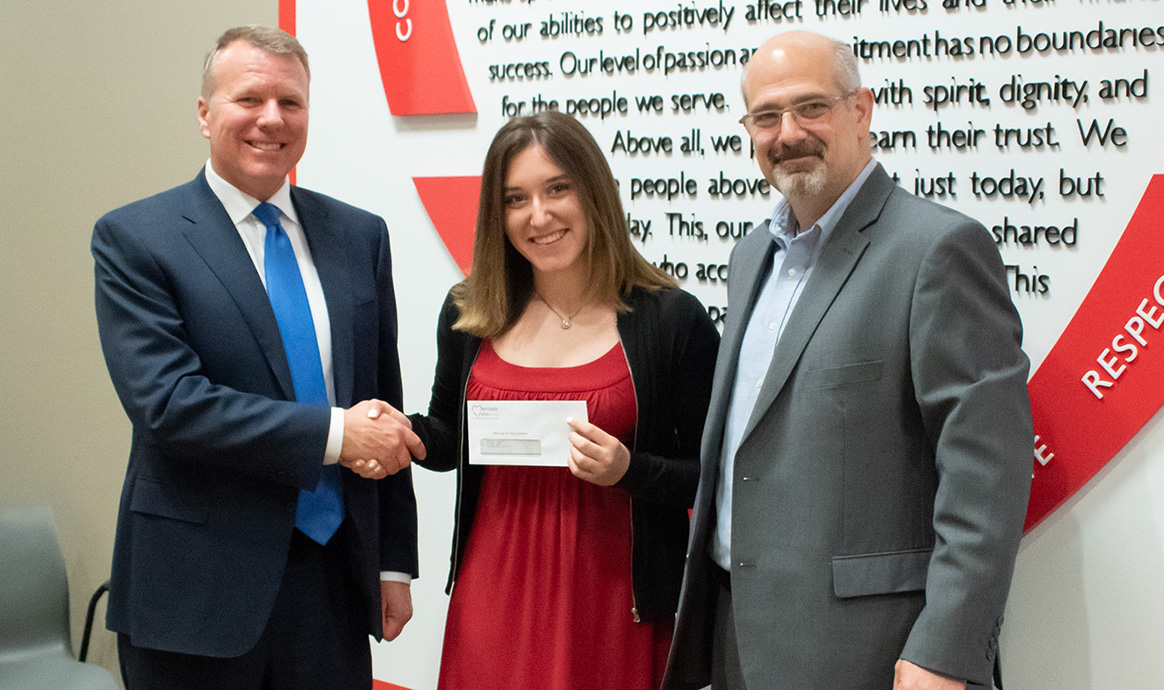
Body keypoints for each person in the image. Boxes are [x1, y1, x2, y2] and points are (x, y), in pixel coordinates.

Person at [662, 31, 1033, 690]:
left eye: (811, 107)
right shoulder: (751, 256)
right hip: (737, 638)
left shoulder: (939, 250)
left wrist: (946, 650)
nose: (788, 132)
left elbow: (988, 480)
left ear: (861, 110)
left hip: (873, 652)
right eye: (766, 116)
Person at [92, 25, 423, 689]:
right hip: (197, 591)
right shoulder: (136, 238)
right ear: (204, 112)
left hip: (332, 580)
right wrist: (336, 434)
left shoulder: (359, 235)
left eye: (291, 103)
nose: (272, 119)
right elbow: (169, 406)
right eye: (250, 99)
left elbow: (380, 399)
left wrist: (392, 563)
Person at [404, 111, 719, 689]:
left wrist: (630, 469)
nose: (538, 216)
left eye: (557, 189)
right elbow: (449, 438)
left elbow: (719, 479)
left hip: (613, 606)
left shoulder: (671, 319)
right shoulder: (467, 314)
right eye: (515, 198)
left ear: (593, 192)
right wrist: (402, 435)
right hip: (491, 592)